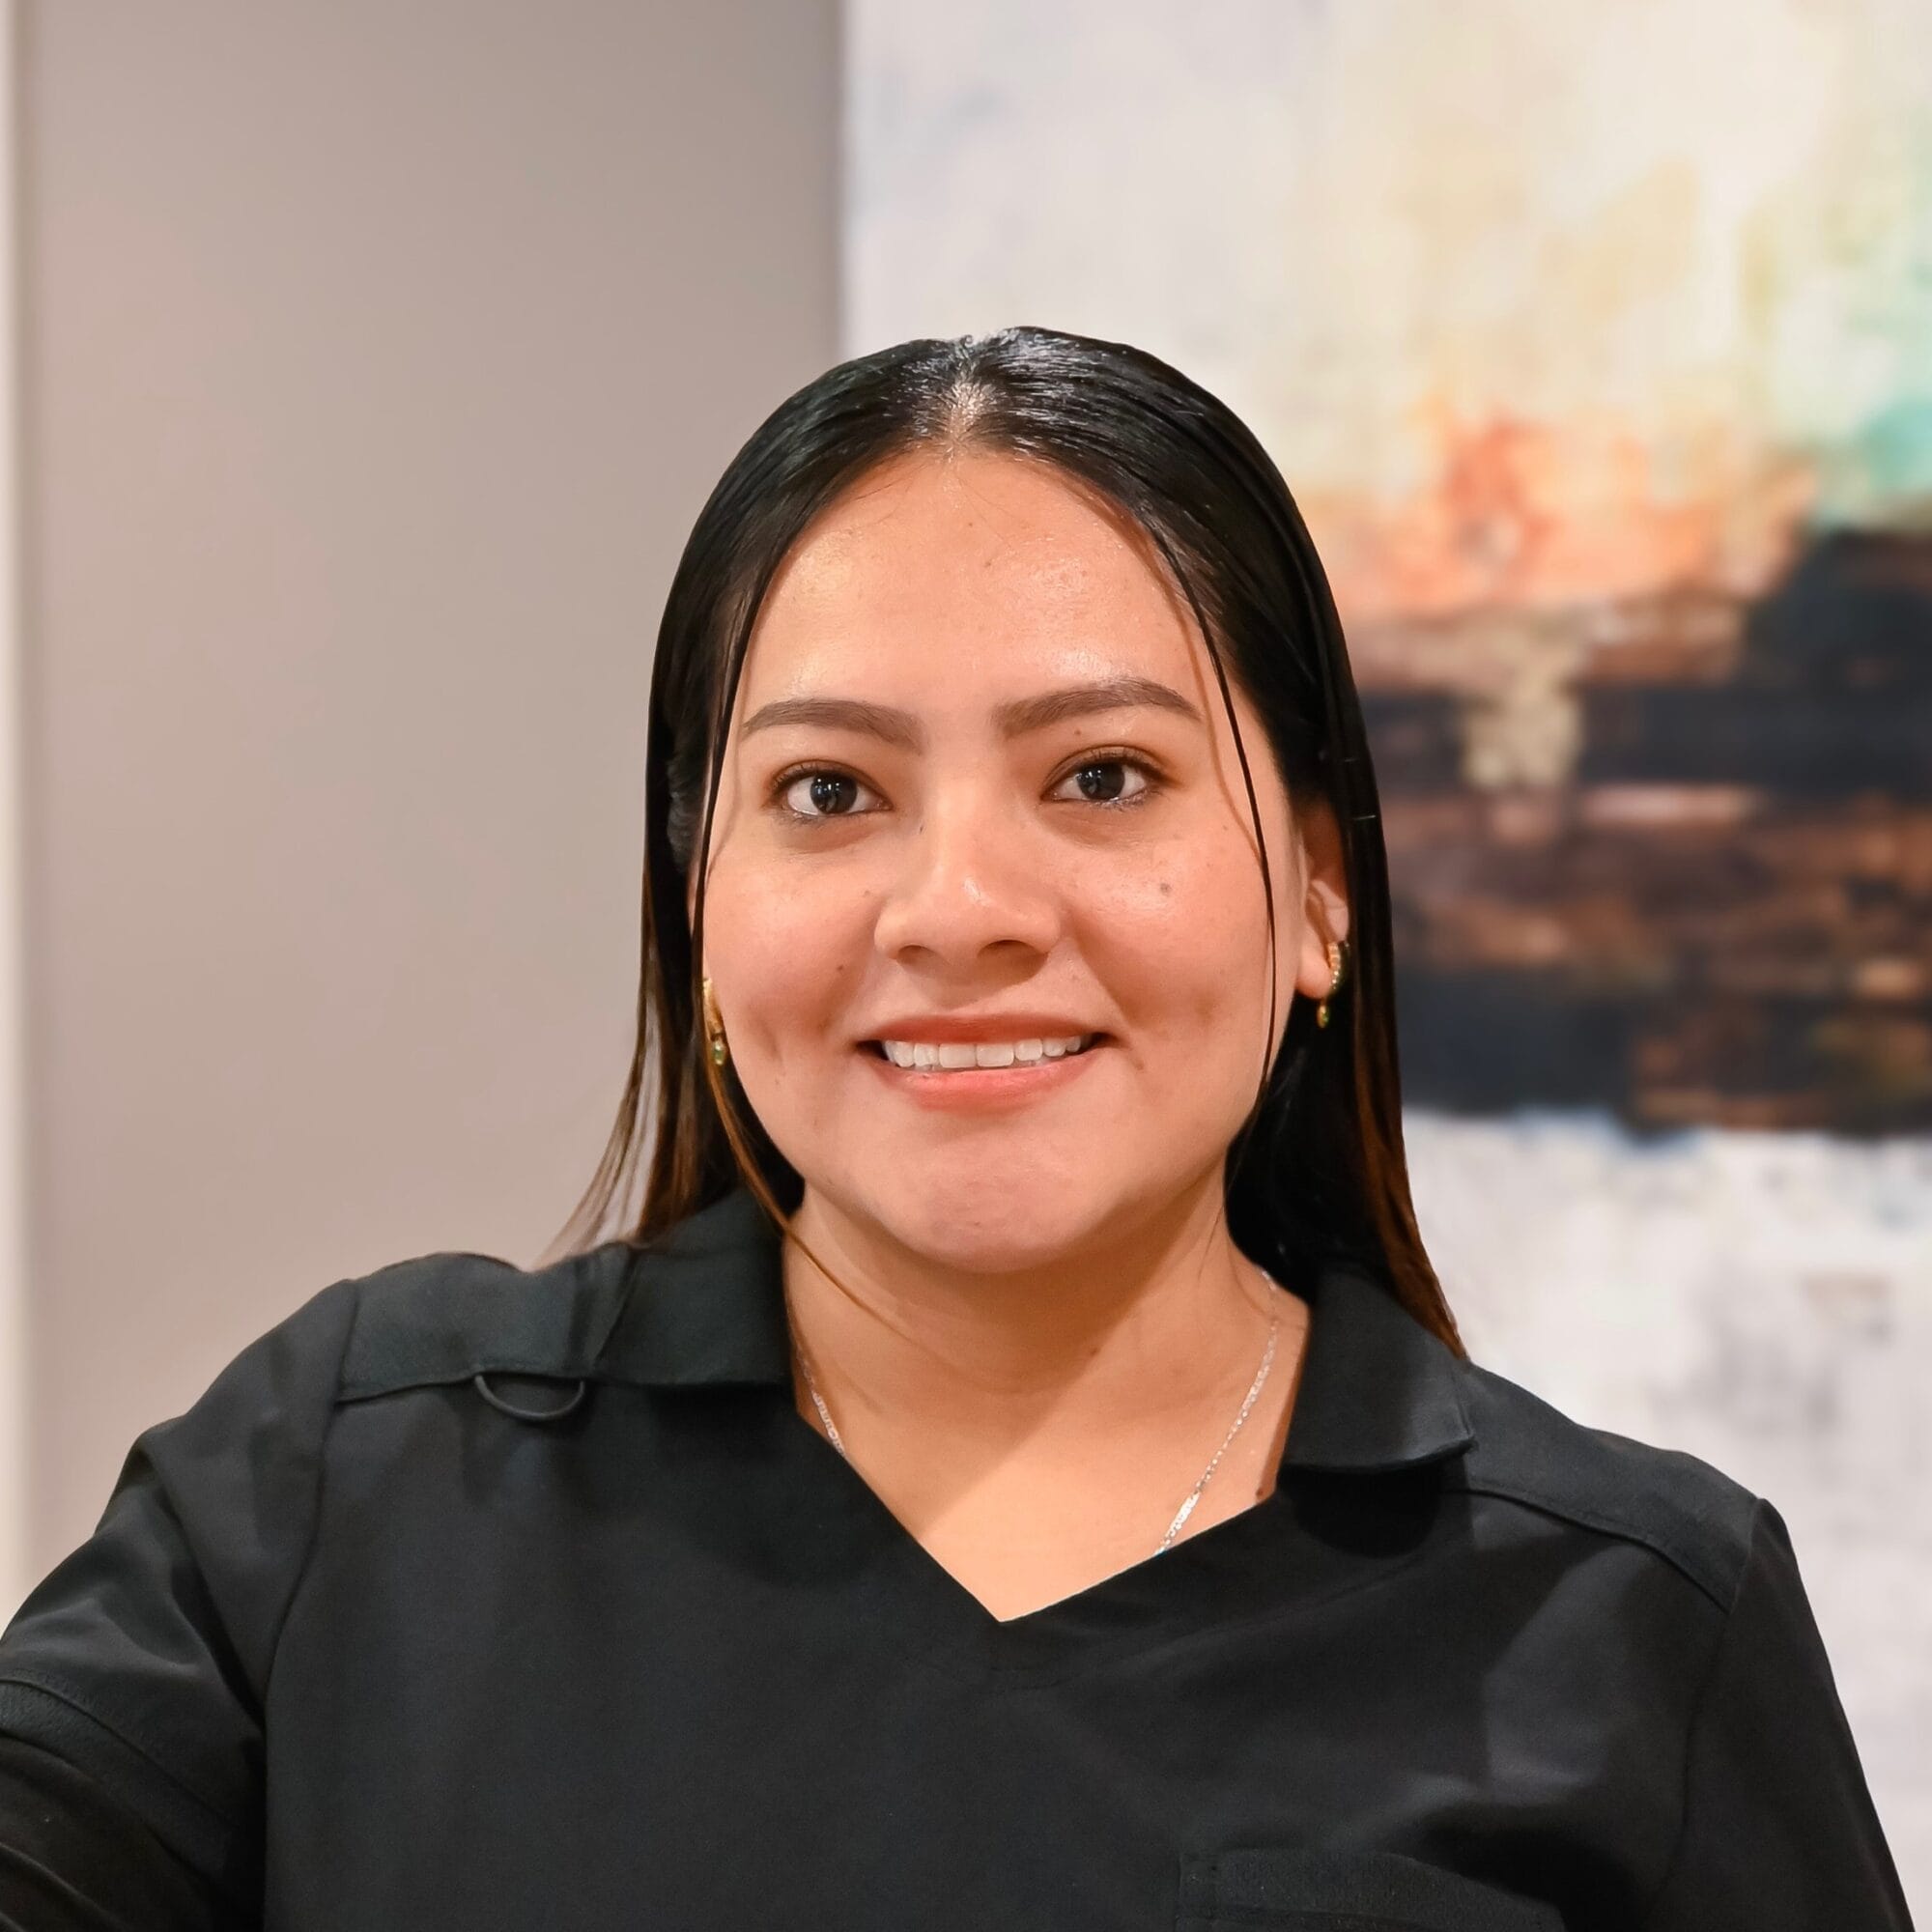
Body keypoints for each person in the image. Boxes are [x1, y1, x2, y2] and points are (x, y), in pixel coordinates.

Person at [0, 328, 1913, 1931]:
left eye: (1103, 774)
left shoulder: (1632, 1621)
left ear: (1319, 886)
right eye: (831, 790)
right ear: (697, 894)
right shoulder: (352, 1482)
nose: (958, 907)